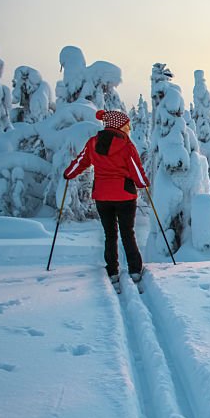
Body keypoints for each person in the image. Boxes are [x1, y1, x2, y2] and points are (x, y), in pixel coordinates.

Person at [64, 109, 150, 290]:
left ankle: (112, 271)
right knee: (128, 233)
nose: (129, 128)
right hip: (125, 196)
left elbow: (81, 162)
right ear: (120, 125)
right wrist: (143, 183)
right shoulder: (126, 145)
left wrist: (69, 174)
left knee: (110, 234)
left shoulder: (93, 143)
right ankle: (135, 270)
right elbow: (136, 169)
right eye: (127, 125)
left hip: (102, 197)